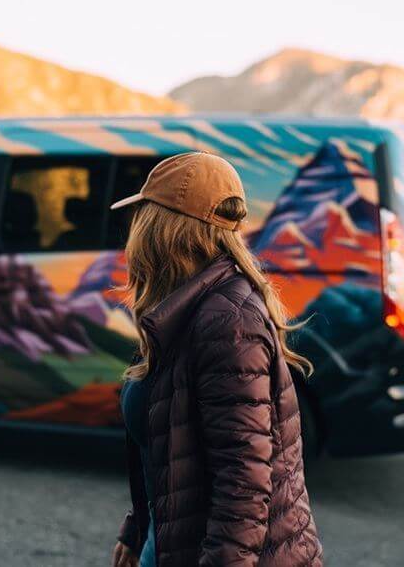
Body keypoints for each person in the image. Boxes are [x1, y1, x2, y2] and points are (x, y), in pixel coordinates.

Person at [110, 152, 323, 567]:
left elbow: (243, 486)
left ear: (162, 228)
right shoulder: (181, 308)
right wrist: (138, 529)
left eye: (141, 216)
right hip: (173, 539)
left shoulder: (227, 323)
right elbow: (171, 448)